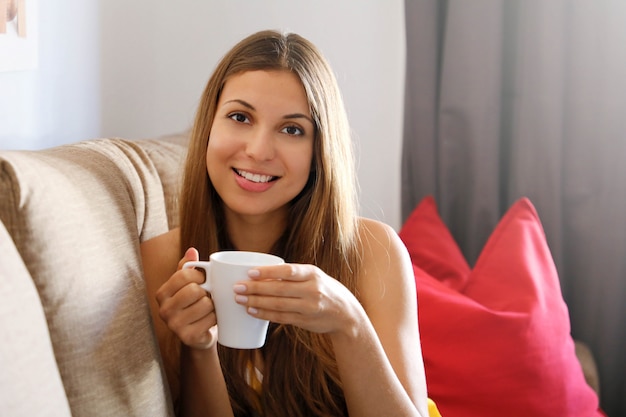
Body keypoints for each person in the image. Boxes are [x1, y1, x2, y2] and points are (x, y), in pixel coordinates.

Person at [141, 29, 436, 417]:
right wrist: (199, 349)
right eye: (240, 117)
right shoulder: (165, 260)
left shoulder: (373, 250)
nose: (259, 150)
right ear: (209, 127)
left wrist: (349, 324)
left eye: (292, 129)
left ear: (320, 151)